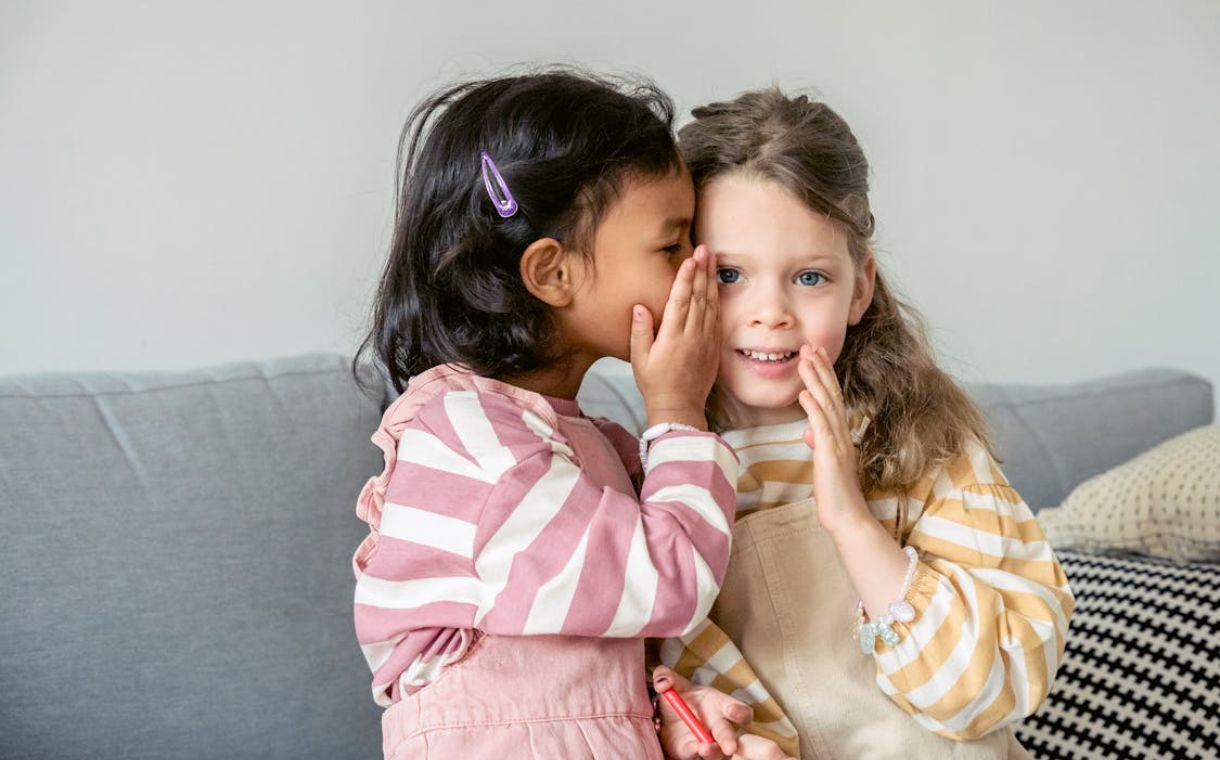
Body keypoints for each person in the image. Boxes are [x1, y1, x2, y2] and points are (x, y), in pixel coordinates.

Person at [653, 88, 1075, 759]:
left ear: (861, 287)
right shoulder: (645, 474)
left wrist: (850, 519)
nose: (771, 312)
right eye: (730, 274)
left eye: (810, 278)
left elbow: (988, 691)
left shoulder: (926, 447)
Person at [351, 69, 752, 759]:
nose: (701, 267)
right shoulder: (469, 443)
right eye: (672, 243)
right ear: (553, 274)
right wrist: (680, 411)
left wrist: (667, 710)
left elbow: (597, 651)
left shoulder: (584, 444)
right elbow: (669, 581)